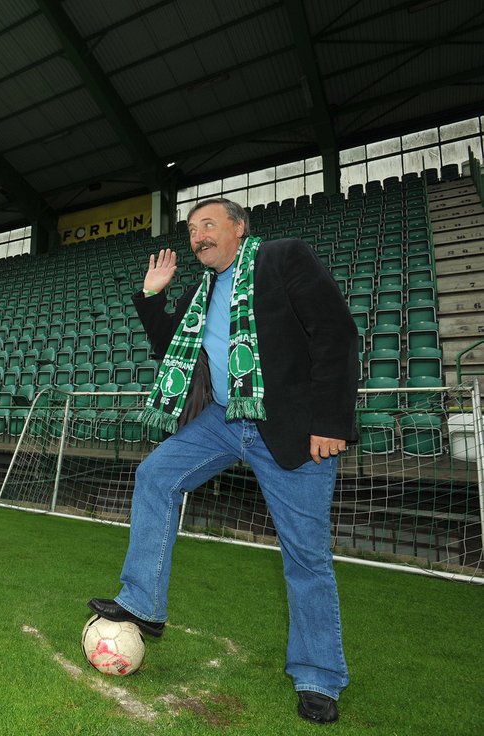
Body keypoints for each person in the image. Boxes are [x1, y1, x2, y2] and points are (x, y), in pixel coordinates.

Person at [88, 198, 359, 725]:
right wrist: (152, 297)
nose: (197, 237)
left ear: (239, 227)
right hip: (221, 419)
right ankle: (143, 603)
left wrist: (330, 422)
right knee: (155, 475)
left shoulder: (283, 259)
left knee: (306, 559)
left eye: (208, 225)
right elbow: (173, 349)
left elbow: (336, 333)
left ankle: (317, 676)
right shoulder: (202, 291)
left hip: (291, 429)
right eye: (191, 230)